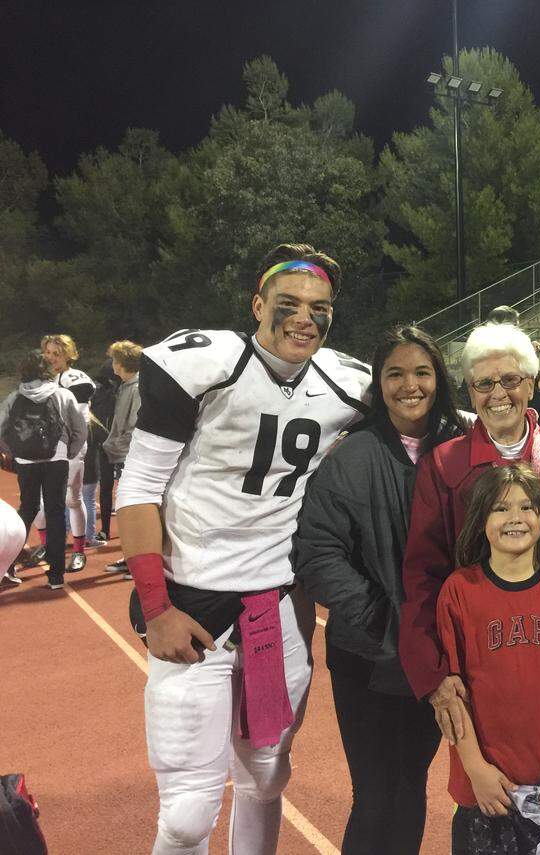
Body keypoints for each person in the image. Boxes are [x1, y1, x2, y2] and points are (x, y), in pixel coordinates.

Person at [116, 243, 372, 855]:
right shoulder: (212, 364)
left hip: (278, 607)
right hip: (192, 599)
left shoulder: (346, 382)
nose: (304, 318)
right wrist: (155, 608)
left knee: (265, 776)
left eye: (320, 308)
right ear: (257, 305)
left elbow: (428, 421)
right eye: (288, 304)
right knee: (185, 813)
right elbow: (139, 489)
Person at [398, 321, 540, 776]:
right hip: (481, 663)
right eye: (484, 383)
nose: (499, 393)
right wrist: (433, 673)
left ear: (531, 384)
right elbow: (422, 573)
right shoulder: (444, 465)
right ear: (470, 393)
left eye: (511, 379)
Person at [292, 325, 467, 853]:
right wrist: (384, 621)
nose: (409, 385)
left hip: (440, 657)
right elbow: (318, 554)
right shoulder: (350, 457)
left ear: (438, 378)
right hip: (369, 657)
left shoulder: (463, 450)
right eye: (395, 373)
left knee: (411, 786)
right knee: (374, 793)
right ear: (378, 383)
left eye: (421, 371)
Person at [441, 464, 540, 853]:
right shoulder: (459, 590)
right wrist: (474, 768)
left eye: (527, 507)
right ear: (480, 521)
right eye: (500, 508)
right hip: (487, 788)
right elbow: (451, 693)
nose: (515, 518)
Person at [0, 350, 87, 589]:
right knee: (56, 512)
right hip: (56, 458)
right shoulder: (62, 394)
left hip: (27, 462)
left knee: (26, 510)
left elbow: (1, 427)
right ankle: (56, 575)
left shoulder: (14, 397)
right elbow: (80, 428)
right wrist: (69, 451)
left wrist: (14, 451)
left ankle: (7, 566)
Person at [40, 334, 94, 571]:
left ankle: (78, 551)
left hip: (69, 445)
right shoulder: (43, 378)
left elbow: (79, 420)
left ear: (68, 354)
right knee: (41, 501)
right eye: (48, 352)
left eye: (56, 353)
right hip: (45, 447)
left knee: (71, 499)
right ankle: (48, 546)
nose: (51, 357)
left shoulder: (75, 378)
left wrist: (73, 448)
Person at [101, 340, 143, 577]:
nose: (112, 365)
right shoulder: (127, 385)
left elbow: (135, 425)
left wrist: (115, 444)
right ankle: (130, 557)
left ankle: (137, 561)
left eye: (114, 360)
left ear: (121, 362)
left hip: (131, 457)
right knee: (127, 509)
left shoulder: (137, 387)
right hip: (123, 454)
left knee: (133, 510)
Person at [84, 359, 120, 546]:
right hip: (120, 444)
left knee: (104, 488)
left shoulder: (94, 392)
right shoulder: (121, 391)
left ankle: (105, 530)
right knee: (122, 488)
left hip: (101, 444)